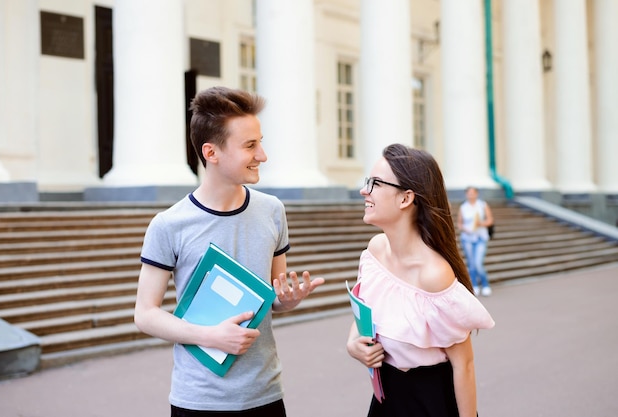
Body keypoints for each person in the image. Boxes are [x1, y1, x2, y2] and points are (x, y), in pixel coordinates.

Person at [134, 86, 325, 417]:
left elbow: (272, 296)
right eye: (250, 145)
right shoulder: (169, 225)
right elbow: (145, 314)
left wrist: (287, 300)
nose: (262, 155)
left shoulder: (272, 211)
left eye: (260, 142)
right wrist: (210, 336)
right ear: (211, 153)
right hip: (199, 399)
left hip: (265, 393)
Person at [346, 144, 495, 417]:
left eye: (375, 183)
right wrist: (353, 343)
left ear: (406, 199)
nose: (363, 190)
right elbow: (363, 313)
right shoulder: (375, 251)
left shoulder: (434, 275)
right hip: (384, 397)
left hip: (430, 401)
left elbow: (464, 365)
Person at [457, 186, 494, 296]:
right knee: (471, 264)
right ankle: (475, 285)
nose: (471, 195)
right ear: (466, 194)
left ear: (476, 194)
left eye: (473, 193)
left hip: (480, 237)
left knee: (478, 263)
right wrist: (465, 228)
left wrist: (481, 224)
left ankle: (485, 284)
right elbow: (459, 223)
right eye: (469, 193)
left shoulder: (482, 205)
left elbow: (490, 220)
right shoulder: (463, 207)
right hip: (467, 238)